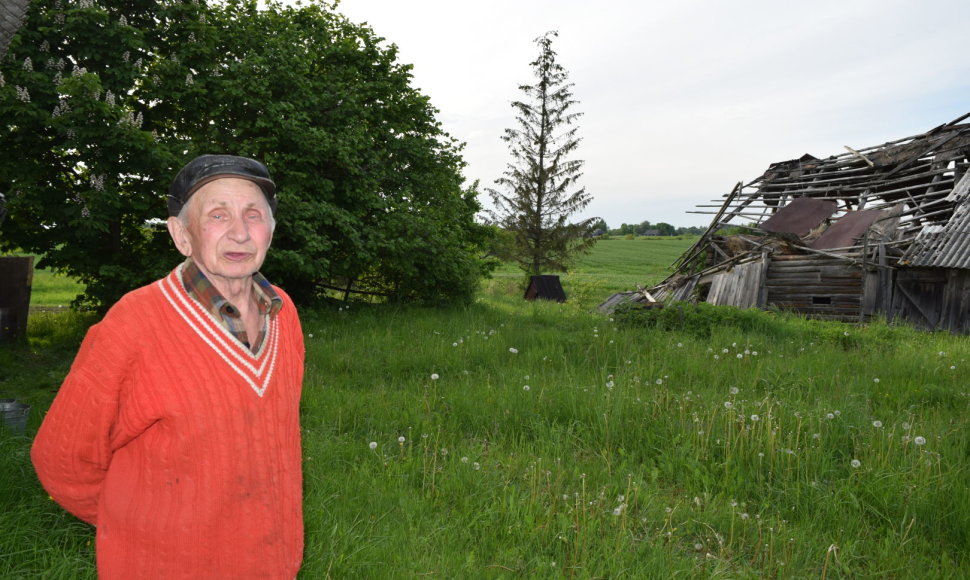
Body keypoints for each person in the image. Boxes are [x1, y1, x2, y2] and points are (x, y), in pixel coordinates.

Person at [31, 155, 305, 579]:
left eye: (254, 215)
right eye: (217, 215)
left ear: (271, 230)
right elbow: (62, 459)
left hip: (271, 561)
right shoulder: (133, 323)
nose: (239, 232)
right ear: (181, 234)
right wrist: (139, 527)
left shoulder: (283, 314)